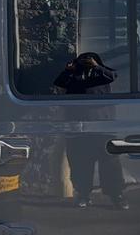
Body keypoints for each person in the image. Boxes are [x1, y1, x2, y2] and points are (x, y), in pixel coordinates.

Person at [53, 52, 128, 209]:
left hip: (103, 128)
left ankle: (116, 195)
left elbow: (113, 76)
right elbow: (58, 85)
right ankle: (83, 195)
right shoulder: (72, 77)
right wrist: (68, 70)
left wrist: (96, 67)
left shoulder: (101, 75)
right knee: (80, 164)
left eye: (88, 60)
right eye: (82, 61)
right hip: (78, 128)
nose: (85, 64)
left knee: (110, 165)